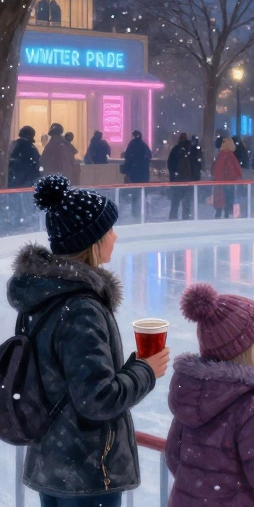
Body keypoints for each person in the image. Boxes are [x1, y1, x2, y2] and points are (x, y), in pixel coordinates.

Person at [8, 174, 169, 505]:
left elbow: (64, 381)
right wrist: (146, 372)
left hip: (51, 464)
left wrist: (131, 367)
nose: (115, 236)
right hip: (86, 473)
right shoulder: (81, 308)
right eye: (109, 230)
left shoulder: (43, 298)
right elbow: (97, 399)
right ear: (94, 241)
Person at [166, 283, 254, 507]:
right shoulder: (253, 406)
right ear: (245, 347)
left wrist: (202, 485)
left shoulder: (190, 395)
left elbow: (173, 455)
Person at [120, 130, 153, 219]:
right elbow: (149, 155)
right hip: (143, 175)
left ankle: (136, 213)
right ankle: (143, 213)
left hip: (134, 174)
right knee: (142, 194)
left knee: (135, 194)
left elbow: (128, 158)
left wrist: (128, 170)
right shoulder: (143, 145)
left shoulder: (132, 145)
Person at [168, 133, 198, 220]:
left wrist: (173, 176)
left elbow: (170, 164)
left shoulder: (175, 150)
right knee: (186, 201)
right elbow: (196, 164)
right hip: (188, 180)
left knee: (175, 201)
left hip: (177, 180)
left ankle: (173, 217)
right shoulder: (191, 149)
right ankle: (186, 218)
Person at [211, 138, 242, 218]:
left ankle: (221, 215)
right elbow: (232, 168)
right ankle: (226, 215)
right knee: (227, 199)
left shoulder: (221, 154)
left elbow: (218, 169)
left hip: (222, 181)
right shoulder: (228, 155)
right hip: (227, 181)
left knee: (222, 199)